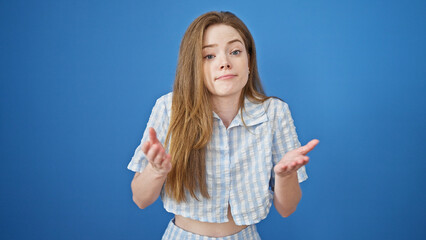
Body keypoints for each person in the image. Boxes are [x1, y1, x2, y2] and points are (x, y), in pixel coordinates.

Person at [127, 11, 319, 240]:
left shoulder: (275, 113)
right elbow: (140, 199)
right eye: (209, 56)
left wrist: (285, 177)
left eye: (235, 52)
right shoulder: (169, 108)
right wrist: (156, 171)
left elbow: (287, 209)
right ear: (193, 67)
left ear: (249, 60)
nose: (225, 63)